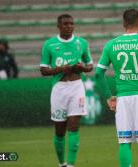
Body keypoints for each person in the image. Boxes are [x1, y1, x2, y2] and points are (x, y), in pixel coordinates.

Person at [95, 9, 138, 167]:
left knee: (125, 142)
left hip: (123, 98)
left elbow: (99, 73)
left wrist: (109, 96)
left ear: (123, 23)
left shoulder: (111, 44)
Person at [40, 14, 93, 167]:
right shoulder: (49, 44)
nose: (69, 26)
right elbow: (43, 70)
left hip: (77, 87)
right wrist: (59, 69)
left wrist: (82, 67)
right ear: (58, 26)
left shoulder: (81, 43)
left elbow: (90, 65)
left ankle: (70, 164)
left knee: (74, 127)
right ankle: (61, 163)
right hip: (59, 89)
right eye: (65, 24)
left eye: (71, 24)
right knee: (60, 131)